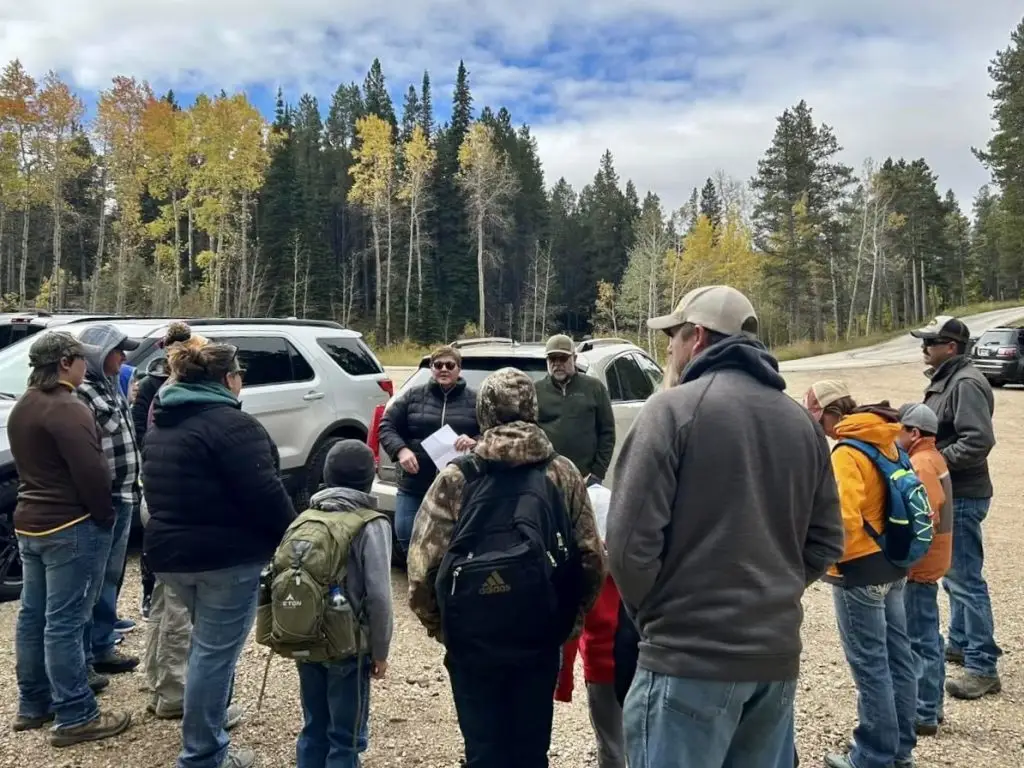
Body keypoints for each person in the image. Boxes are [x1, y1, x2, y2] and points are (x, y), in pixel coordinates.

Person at [607, 286, 844, 768]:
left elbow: (629, 549)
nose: (668, 350)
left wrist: (658, 614)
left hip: (687, 659)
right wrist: (770, 594)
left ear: (696, 337)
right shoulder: (803, 424)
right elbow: (826, 541)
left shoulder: (671, 411)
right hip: (774, 663)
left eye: (671, 337)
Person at [407, 367, 606, 768]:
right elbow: (591, 559)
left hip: (472, 641)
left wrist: (446, 628)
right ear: (533, 409)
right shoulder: (562, 473)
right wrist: (568, 621)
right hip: (539, 637)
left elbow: (422, 571)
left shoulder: (456, 477)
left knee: (482, 751)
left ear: (483, 412)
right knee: (531, 751)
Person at [143, 342, 296, 768]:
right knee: (214, 653)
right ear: (229, 379)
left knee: (204, 646)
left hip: (171, 556)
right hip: (224, 558)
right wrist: (293, 537)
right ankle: (203, 754)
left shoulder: (164, 421)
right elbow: (267, 494)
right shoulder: (233, 425)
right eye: (240, 374)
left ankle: (210, 720)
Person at [8, 331, 132, 746]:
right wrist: (104, 516)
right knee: (65, 622)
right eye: (81, 359)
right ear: (65, 363)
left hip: (30, 522)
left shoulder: (23, 406)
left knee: (33, 616)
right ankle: (76, 712)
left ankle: (34, 702)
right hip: (69, 527)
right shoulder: (68, 407)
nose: (85, 366)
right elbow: (92, 472)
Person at [803, 381, 916, 768]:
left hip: (860, 573)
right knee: (898, 658)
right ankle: (900, 751)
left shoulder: (846, 453)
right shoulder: (886, 438)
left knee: (870, 666)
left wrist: (825, 562)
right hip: (894, 564)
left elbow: (845, 520)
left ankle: (872, 755)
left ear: (829, 413)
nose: (811, 420)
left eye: (813, 411)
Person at [910, 315, 1000, 700]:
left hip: (962, 493)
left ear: (951, 347)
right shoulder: (949, 379)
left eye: (930, 341)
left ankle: (983, 665)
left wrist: (933, 462)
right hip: (954, 492)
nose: (924, 347)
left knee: (965, 580)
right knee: (954, 573)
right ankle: (962, 643)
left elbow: (978, 440)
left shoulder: (964, 383)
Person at [293, 440, 394, 768]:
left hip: (305, 638)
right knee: (345, 737)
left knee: (313, 728)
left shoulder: (305, 516)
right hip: (349, 648)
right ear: (371, 476)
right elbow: (379, 596)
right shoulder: (371, 524)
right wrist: (380, 651)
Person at [76, 323, 143, 676]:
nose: (124, 357)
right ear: (100, 353)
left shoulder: (109, 385)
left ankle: (103, 645)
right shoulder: (81, 392)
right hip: (104, 498)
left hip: (126, 494)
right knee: (91, 581)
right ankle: (84, 657)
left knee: (111, 577)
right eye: (118, 351)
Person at [377, 344, 479, 556]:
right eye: (438, 364)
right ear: (431, 368)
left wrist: (475, 441)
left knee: (453, 547)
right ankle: (416, 584)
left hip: (457, 489)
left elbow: (492, 433)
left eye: (449, 365)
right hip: (414, 485)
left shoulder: (475, 400)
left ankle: (442, 586)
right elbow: (386, 426)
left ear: (459, 369)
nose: (444, 369)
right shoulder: (413, 396)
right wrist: (401, 451)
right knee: (408, 539)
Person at [133, 322, 202, 620]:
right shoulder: (151, 384)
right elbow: (139, 427)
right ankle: (151, 592)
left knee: (164, 533)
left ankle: (173, 596)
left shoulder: (196, 382)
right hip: (159, 472)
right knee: (156, 534)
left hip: (172, 472)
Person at [896, 402, 953, 737]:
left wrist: (905, 558)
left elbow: (925, 516)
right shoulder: (935, 456)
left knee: (920, 639)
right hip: (935, 559)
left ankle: (925, 712)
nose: (896, 436)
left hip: (922, 566)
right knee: (928, 635)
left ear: (914, 433)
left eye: (900, 430)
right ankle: (934, 706)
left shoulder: (921, 464)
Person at [536, 334, 615, 483]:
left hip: (585, 479)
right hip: (546, 480)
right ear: (547, 361)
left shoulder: (594, 388)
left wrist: (597, 473)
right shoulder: (536, 391)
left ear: (575, 358)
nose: (557, 364)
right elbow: (530, 434)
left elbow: (607, 433)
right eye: (553, 359)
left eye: (563, 359)